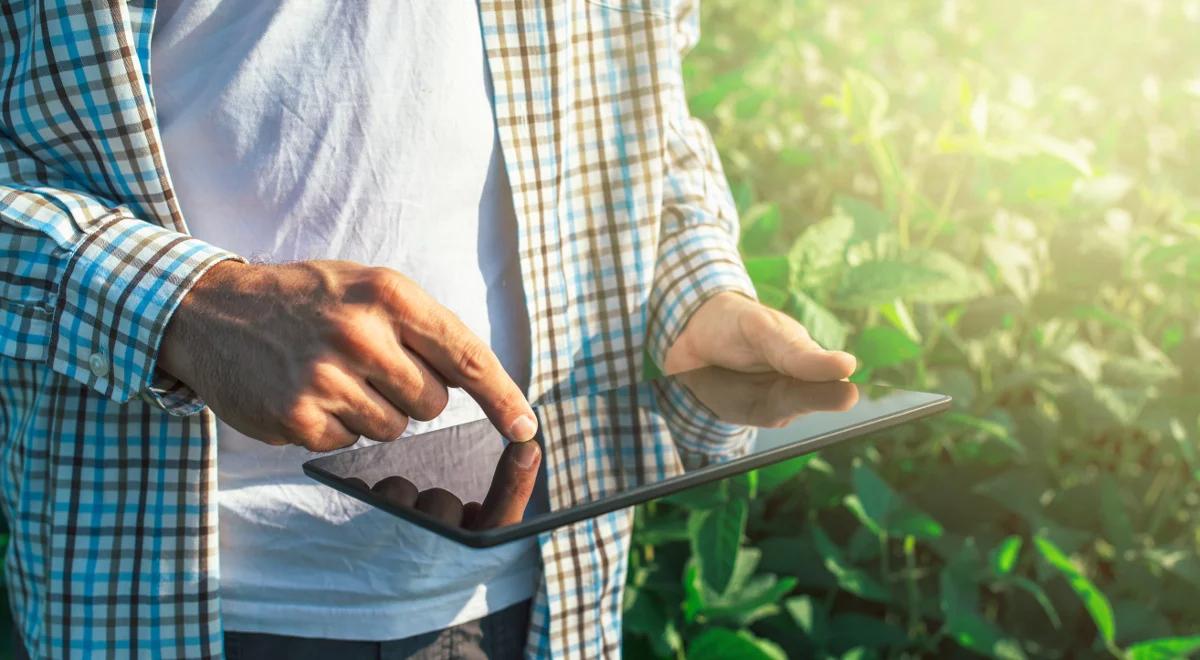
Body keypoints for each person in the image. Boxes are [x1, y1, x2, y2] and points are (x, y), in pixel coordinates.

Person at [0, 0, 856, 657]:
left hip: (538, 592)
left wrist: (694, 294)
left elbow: (642, 116)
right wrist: (187, 306)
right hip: (186, 602)